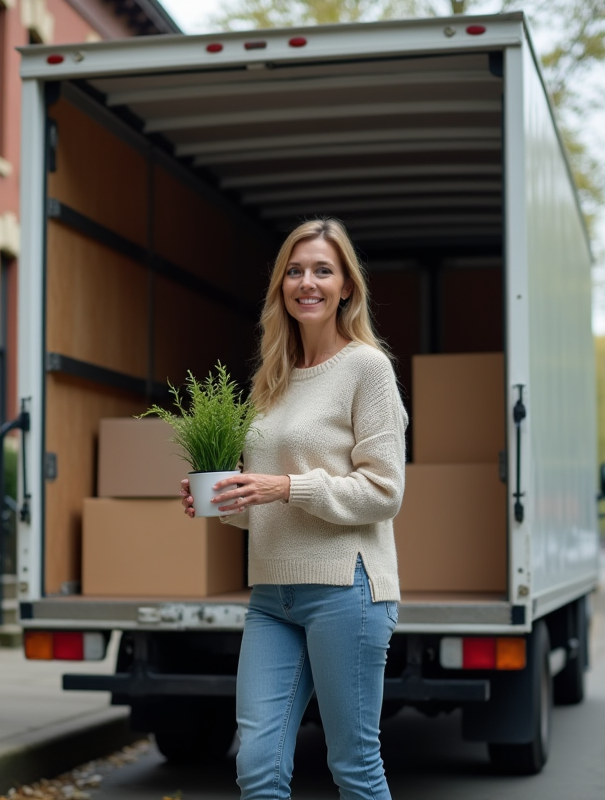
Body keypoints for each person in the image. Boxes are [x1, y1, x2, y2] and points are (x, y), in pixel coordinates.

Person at [180, 218, 408, 799]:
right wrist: (226, 499)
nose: (307, 282)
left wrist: (285, 486)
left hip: (345, 590)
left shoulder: (368, 368)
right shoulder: (272, 379)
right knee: (257, 766)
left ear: (347, 287)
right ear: (281, 285)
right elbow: (266, 497)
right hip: (272, 594)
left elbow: (385, 491)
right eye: (295, 270)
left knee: (354, 766)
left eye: (323, 270)